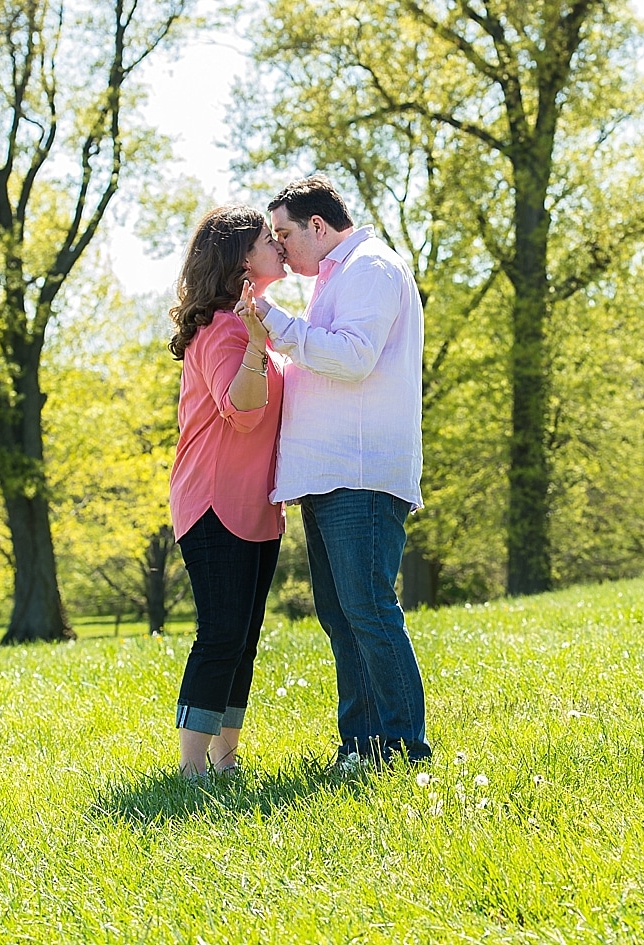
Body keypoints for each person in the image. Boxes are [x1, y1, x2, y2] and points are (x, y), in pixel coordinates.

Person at [245, 175, 430, 766]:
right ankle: (362, 742)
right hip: (328, 475)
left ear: (318, 227)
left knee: (368, 608)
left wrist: (275, 322)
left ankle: (401, 745)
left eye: (285, 234)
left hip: (360, 469)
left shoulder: (371, 268)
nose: (281, 248)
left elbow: (352, 357)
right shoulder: (337, 278)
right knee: (340, 613)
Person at [166, 205, 286, 777]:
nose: (279, 244)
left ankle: (226, 763)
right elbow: (241, 409)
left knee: (244, 637)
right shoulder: (223, 327)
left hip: (256, 504)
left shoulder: (249, 320)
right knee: (221, 634)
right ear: (242, 256)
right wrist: (258, 345)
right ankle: (193, 771)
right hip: (214, 501)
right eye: (268, 237)